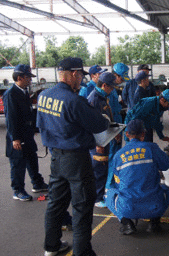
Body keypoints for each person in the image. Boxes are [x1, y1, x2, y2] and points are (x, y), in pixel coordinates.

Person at [37, 57, 110, 256]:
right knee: (82, 206)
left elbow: (41, 124)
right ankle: (82, 252)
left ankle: (50, 247)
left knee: (55, 203)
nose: (81, 82)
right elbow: (99, 125)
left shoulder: (44, 95)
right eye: (81, 77)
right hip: (77, 160)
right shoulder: (74, 100)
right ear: (75, 74)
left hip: (56, 158)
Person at [106, 119, 169, 234]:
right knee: (166, 190)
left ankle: (126, 223)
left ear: (127, 134)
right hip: (154, 207)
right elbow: (166, 165)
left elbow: (118, 180)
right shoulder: (151, 148)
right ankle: (154, 222)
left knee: (110, 193)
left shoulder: (118, 155)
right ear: (143, 134)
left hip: (128, 208)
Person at [3, 64, 48, 201]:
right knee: (18, 164)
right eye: (28, 77)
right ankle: (18, 190)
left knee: (32, 159)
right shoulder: (11, 94)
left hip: (27, 133)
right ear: (20, 77)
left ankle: (37, 183)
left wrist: (33, 128)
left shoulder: (24, 92)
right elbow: (11, 118)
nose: (30, 80)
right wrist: (15, 138)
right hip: (18, 135)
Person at [87, 72, 117, 208]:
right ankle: (97, 198)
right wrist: (97, 143)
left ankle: (99, 194)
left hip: (104, 138)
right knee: (99, 169)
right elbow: (91, 124)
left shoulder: (102, 97)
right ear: (104, 85)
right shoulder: (94, 99)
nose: (113, 90)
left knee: (102, 168)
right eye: (111, 87)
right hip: (99, 141)